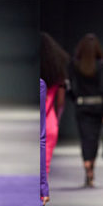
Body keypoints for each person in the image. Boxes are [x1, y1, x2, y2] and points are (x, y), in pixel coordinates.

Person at [67, 33, 103, 187]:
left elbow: (69, 85)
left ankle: (86, 163)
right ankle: (91, 166)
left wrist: (75, 99)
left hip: (82, 106)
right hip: (97, 106)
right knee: (94, 138)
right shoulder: (100, 65)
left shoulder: (74, 64)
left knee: (85, 138)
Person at [41, 32, 68, 177]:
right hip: (49, 121)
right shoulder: (58, 72)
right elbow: (60, 101)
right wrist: (56, 120)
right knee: (44, 169)